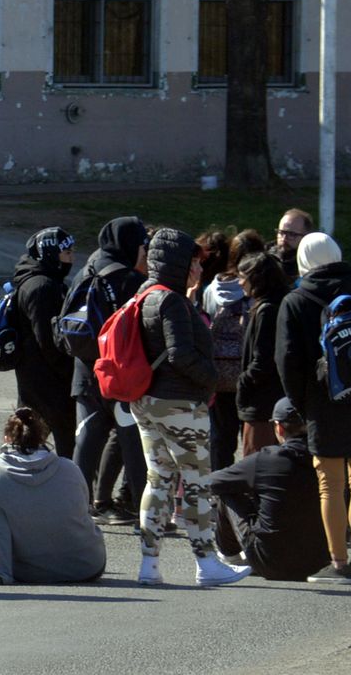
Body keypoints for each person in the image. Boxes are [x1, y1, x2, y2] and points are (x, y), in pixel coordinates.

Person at [130, 227, 250, 587]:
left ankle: (149, 564)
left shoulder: (144, 294)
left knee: (159, 479)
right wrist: (211, 378)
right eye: (194, 263)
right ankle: (207, 563)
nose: (199, 270)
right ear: (178, 264)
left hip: (146, 401)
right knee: (197, 481)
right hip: (179, 403)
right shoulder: (172, 301)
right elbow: (181, 353)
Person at [274, 232, 351, 583]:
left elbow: (287, 361)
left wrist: (302, 406)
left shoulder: (297, 300)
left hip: (322, 404)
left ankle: (337, 562)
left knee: (330, 486)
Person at [64, 217, 150, 524]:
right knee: (134, 446)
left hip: (84, 373)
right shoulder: (128, 279)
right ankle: (145, 513)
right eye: (142, 243)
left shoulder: (86, 270)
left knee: (85, 444)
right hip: (119, 377)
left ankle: (75, 509)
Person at [0, 407, 105, 585]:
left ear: (7, 438)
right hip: (86, 566)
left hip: (29, 572)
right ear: (43, 438)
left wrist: (0, 573)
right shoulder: (69, 468)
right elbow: (82, 510)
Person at [207, 398, 328, 582]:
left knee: (226, 492)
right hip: (321, 563)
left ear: (279, 428)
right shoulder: (330, 461)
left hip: (269, 562)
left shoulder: (267, 459)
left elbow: (212, 483)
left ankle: (230, 556)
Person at [9, 227, 77, 461]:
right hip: (47, 379)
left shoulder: (37, 281)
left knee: (29, 439)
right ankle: (71, 488)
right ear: (50, 254)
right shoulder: (42, 287)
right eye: (66, 253)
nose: (71, 258)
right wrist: (69, 371)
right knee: (63, 441)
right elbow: (47, 340)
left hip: (34, 376)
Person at [200, 228, 262, 472]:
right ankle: (249, 491)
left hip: (218, 375)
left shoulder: (212, 289)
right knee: (251, 440)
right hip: (248, 375)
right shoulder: (257, 293)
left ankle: (219, 490)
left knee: (220, 439)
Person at [234, 250, 289, 455]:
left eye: (242, 277)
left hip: (261, 402)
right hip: (272, 400)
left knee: (256, 462)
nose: (240, 283)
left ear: (256, 279)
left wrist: (243, 381)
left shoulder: (267, 310)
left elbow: (262, 360)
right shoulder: (278, 304)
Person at [273, 208, 313, 283]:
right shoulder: (266, 259)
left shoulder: (311, 265)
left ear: (305, 236)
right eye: (281, 232)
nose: (284, 238)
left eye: (291, 234)